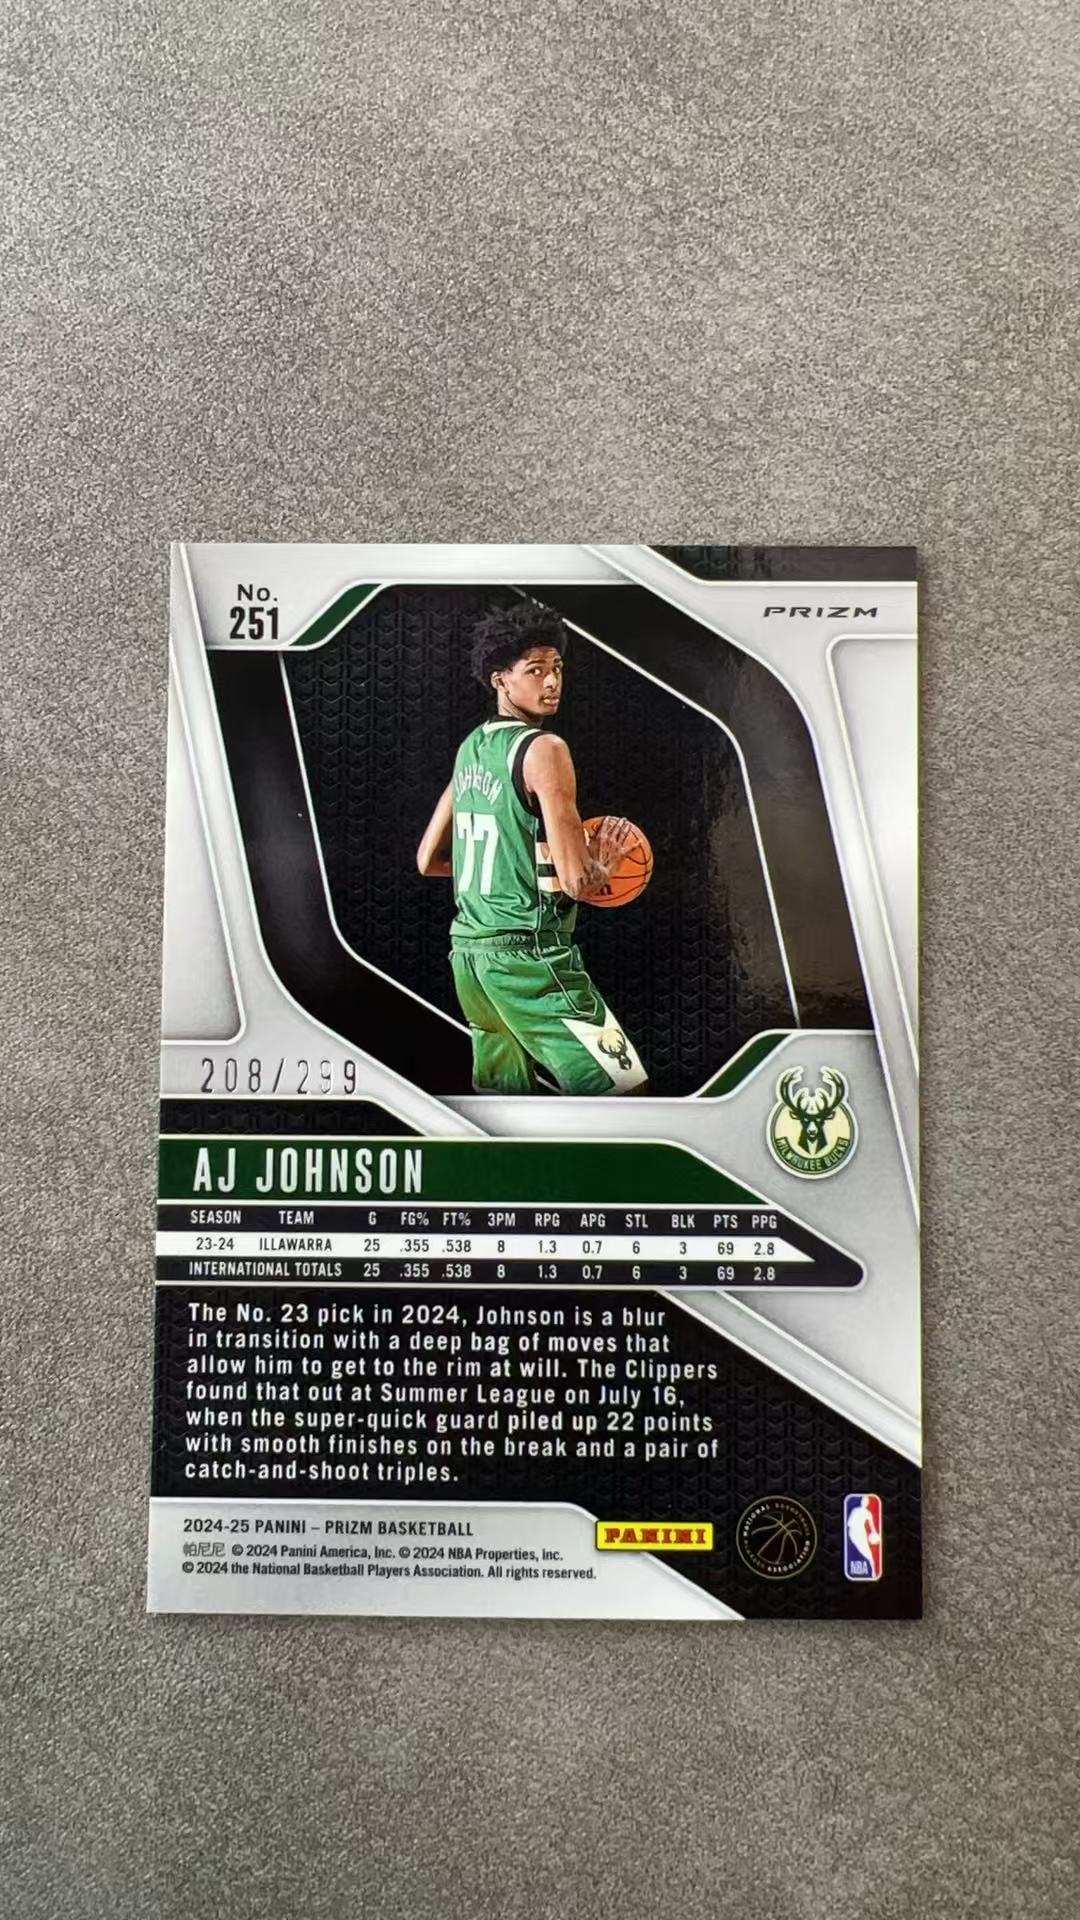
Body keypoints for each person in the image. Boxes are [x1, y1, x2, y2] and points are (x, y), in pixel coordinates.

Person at [417, 599, 647, 1095]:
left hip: (470, 957)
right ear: (500, 679)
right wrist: (604, 862)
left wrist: (511, 864)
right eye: (535, 670)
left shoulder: (471, 748)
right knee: (623, 1090)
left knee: (506, 1106)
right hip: (529, 958)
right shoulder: (546, 750)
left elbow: (428, 860)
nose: (551, 682)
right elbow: (578, 883)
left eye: (557, 668)